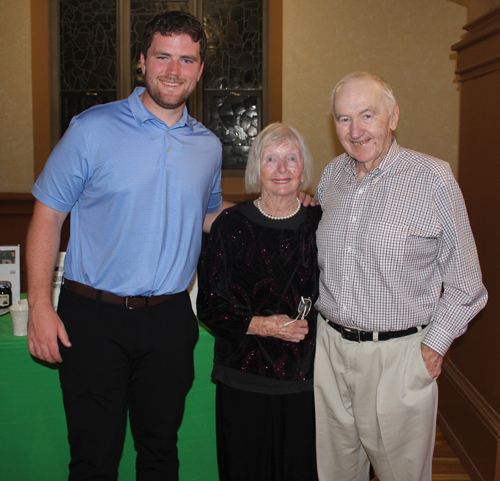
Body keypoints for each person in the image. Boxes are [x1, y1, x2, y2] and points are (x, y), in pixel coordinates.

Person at [26, 10, 231, 481]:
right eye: (163, 57)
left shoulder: (208, 146)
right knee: (94, 460)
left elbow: (206, 215)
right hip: (92, 318)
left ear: (200, 70)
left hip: (169, 320)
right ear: (142, 62)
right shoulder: (91, 128)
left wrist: (281, 205)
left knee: (160, 454)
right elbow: (48, 214)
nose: (173, 71)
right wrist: (40, 303)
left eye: (186, 60)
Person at [314, 71, 488, 481]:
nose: (355, 131)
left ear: (393, 116)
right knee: (334, 472)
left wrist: (433, 346)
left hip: (398, 358)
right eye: (343, 119)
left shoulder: (433, 178)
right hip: (330, 350)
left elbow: (467, 281)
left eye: (367, 115)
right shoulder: (331, 177)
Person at [197, 123, 322, 481]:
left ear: (303, 168)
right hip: (243, 376)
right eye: (271, 159)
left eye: (291, 158)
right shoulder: (230, 225)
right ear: (257, 168)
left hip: (307, 378)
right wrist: (262, 326)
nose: (282, 169)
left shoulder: (322, 222)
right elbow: (208, 304)